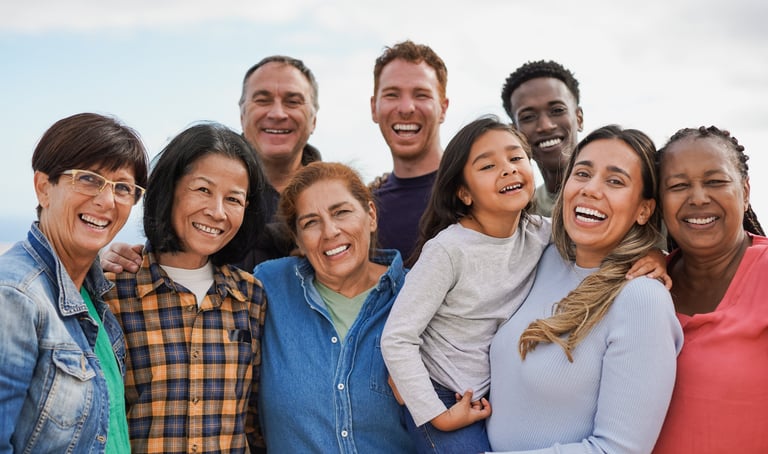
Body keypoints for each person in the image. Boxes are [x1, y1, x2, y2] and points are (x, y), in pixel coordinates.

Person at [487, 125, 683, 453]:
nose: (591, 189)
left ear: (644, 209)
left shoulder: (642, 298)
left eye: (615, 181)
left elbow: (619, 450)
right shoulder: (540, 256)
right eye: (582, 173)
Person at [381, 116, 551, 453]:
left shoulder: (539, 232)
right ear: (464, 193)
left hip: (493, 392)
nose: (508, 169)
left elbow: (596, 238)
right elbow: (397, 338)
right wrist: (437, 415)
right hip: (440, 392)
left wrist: (655, 256)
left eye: (516, 158)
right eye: (488, 166)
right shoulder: (449, 250)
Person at [104, 122, 267, 453]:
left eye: (233, 199)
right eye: (203, 190)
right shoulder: (114, 291)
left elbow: (253, 418)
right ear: (169, 188)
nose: (217, 212)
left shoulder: (251, 296)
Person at [0, 113, 149, 453]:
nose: (107, 200)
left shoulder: (91, 296)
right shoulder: (14, 295)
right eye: (89, 179)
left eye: (123, 188)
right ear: (43, 187)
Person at [103, 55, 321, 273]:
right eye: (262, 100)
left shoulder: (337, 204)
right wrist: (114, 261)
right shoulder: (192, 187)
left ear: (314, 119)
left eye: (293, 101)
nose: (277, 113)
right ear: (242, 112)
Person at [254, 162, 415, 453]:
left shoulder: (416, 293)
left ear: (371, 216)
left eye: (341, 212)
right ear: (298, 240)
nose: (330, 231)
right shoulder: (269, 286)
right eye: (310, 222)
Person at [652, 126, 767, 453]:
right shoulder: (643, 285)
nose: (698, 197)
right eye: (678, 186)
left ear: (745, 192)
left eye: (715, 182)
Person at [370, 40, 449, 260]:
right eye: (392, 95)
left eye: (421, 95)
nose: (406, 108)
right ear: (373, 108)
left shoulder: (476, 193)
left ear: (443, 109)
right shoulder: (363, 210)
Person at [501, 60, 583, 216]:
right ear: (514, 132)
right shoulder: (520, 215)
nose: (545, 126)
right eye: (528, 117)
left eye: (557, 110)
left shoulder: (624, 196)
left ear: (579, 118)